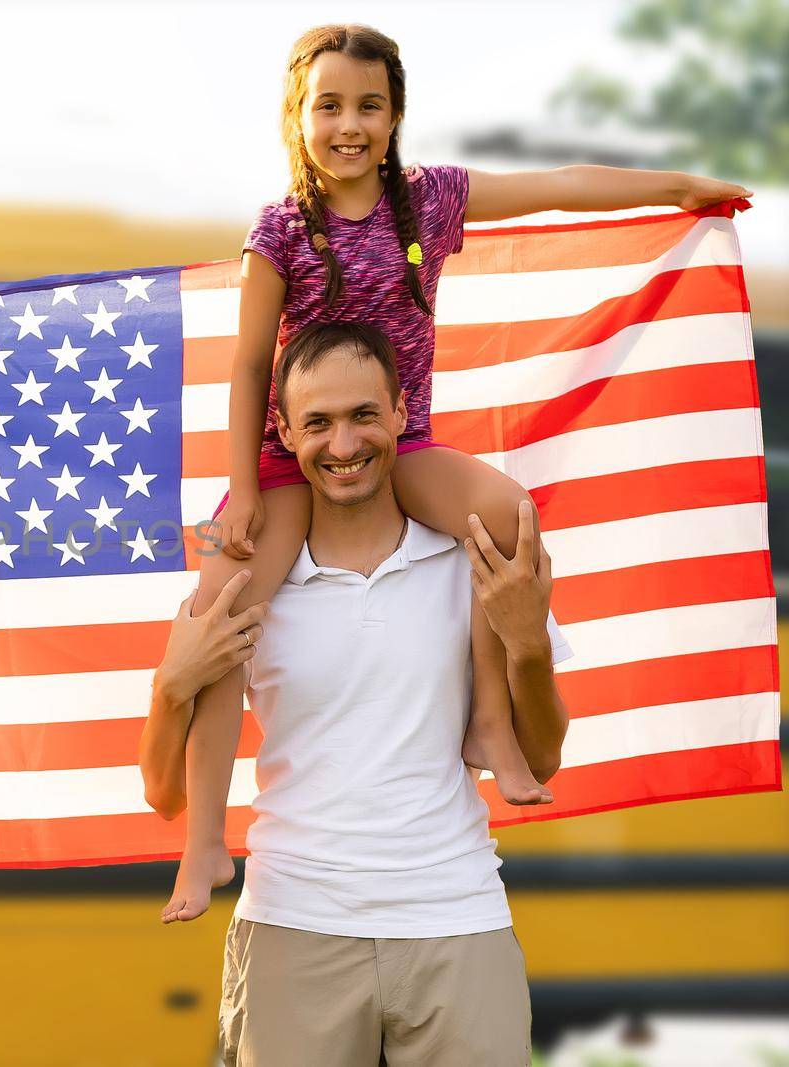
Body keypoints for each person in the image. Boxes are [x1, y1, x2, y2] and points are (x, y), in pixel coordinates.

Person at [165, 20, 753, 923]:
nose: (349, 125)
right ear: (300, 115)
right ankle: (205, 839)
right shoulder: (279, 228)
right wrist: (242, 484)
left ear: (396, 116)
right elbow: (247, 365)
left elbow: (559, 187)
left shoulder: (429, 201)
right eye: (329, 106)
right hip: (289, 461)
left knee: (508, 514)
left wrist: (678, 185)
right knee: (215, 614)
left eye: (370, 105)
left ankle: (487, 719)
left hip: (404, 448)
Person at [142, 321, 571, 1065]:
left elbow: (544, 755)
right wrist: (168, 683)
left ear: (403, 412)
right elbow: (162, 790)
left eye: (363, 415)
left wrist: (528, 643)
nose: (343, 444)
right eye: (318, 422)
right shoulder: (251, 580)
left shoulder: (468, 554)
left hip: (456, 919)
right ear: (282, 430)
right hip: (292, 922)